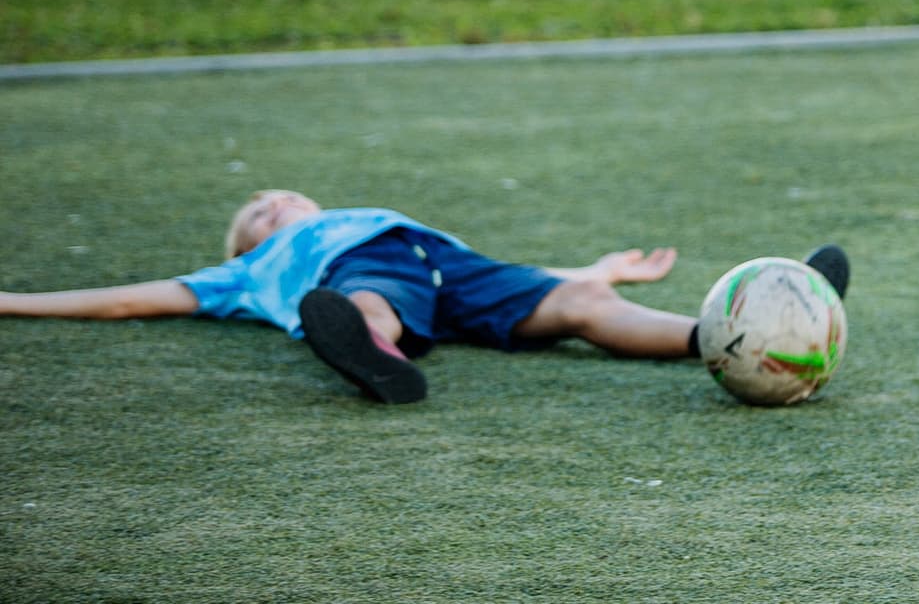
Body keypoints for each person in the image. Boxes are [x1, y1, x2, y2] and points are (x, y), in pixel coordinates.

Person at [0, 188, 851, 405]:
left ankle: (725, 327)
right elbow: (131, 298)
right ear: (252, 247)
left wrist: (592, 268)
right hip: (373, 275)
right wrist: (14, 300)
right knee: (374, 297)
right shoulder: (254, 272)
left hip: (455, 268)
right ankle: (370, 349)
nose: (271, 208)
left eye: (277, 198)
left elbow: (482, 274)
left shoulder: (358, 211)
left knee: (584, 306)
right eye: (253, 216)